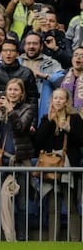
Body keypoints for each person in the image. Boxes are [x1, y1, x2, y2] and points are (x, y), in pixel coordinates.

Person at [0, 78, 36, 241]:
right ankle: (6, 236)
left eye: (16, 90)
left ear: (21, 93)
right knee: (2, 201)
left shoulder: (28, 108)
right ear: (6, 92)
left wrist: (11, 111)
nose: (13, 93)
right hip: (2, 161)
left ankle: (22, 238)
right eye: (10, 90)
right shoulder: (1, 109)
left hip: (20, 160)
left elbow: (21, 128)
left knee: (21, 204)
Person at [35, 88, 83, 241]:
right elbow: (38, 142)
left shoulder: (75, 118)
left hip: (68, 165)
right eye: (55, 98)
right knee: (53, 206)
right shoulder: (46, 118)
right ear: (51, 100)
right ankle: (52, 241)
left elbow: (81, 141)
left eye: (61, 98)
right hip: (51, 166)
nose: (58, 101)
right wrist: (50, 121)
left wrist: (69, 130)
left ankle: (75, 240)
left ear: (67, 101)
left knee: (71, 205)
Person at [19, 32, 63, 124]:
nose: (31, 46)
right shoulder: (17, 62)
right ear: (24, 46)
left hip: (43, 113)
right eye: (28, 43)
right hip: (19, 112)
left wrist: (43, 75)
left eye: (35, 44)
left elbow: (62, 83)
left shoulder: (52, 63)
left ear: (41, 46)